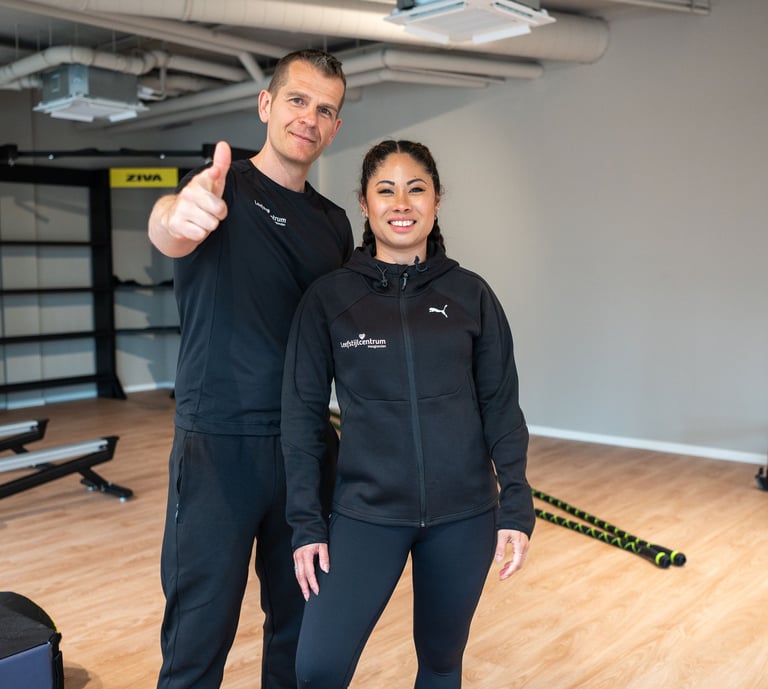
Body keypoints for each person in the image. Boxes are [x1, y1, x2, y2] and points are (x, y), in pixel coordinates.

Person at [280, 139, 535, 689]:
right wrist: (305, 523)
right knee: (317, 668)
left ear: (437, 201)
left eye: (416, 189)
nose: (402, 202)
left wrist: (515, 504)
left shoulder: (472, 295)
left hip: (463, 514)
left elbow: (500, 405)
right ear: (365, 204)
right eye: (386, 190)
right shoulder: (330, 299)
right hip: (367, 512)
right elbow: (301, 417)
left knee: (441, 662)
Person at [147, 49, 353, 689]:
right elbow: (170, 225)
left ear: (335, 127)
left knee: (297, 637)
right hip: (220, 447)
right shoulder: (217, 187)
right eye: (297, 100)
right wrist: (175, 219)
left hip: (305, 451)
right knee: (197, 639)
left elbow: (342, 341)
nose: (309, 119)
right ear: (266, 105)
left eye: (326, 109)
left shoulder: (334, 225)